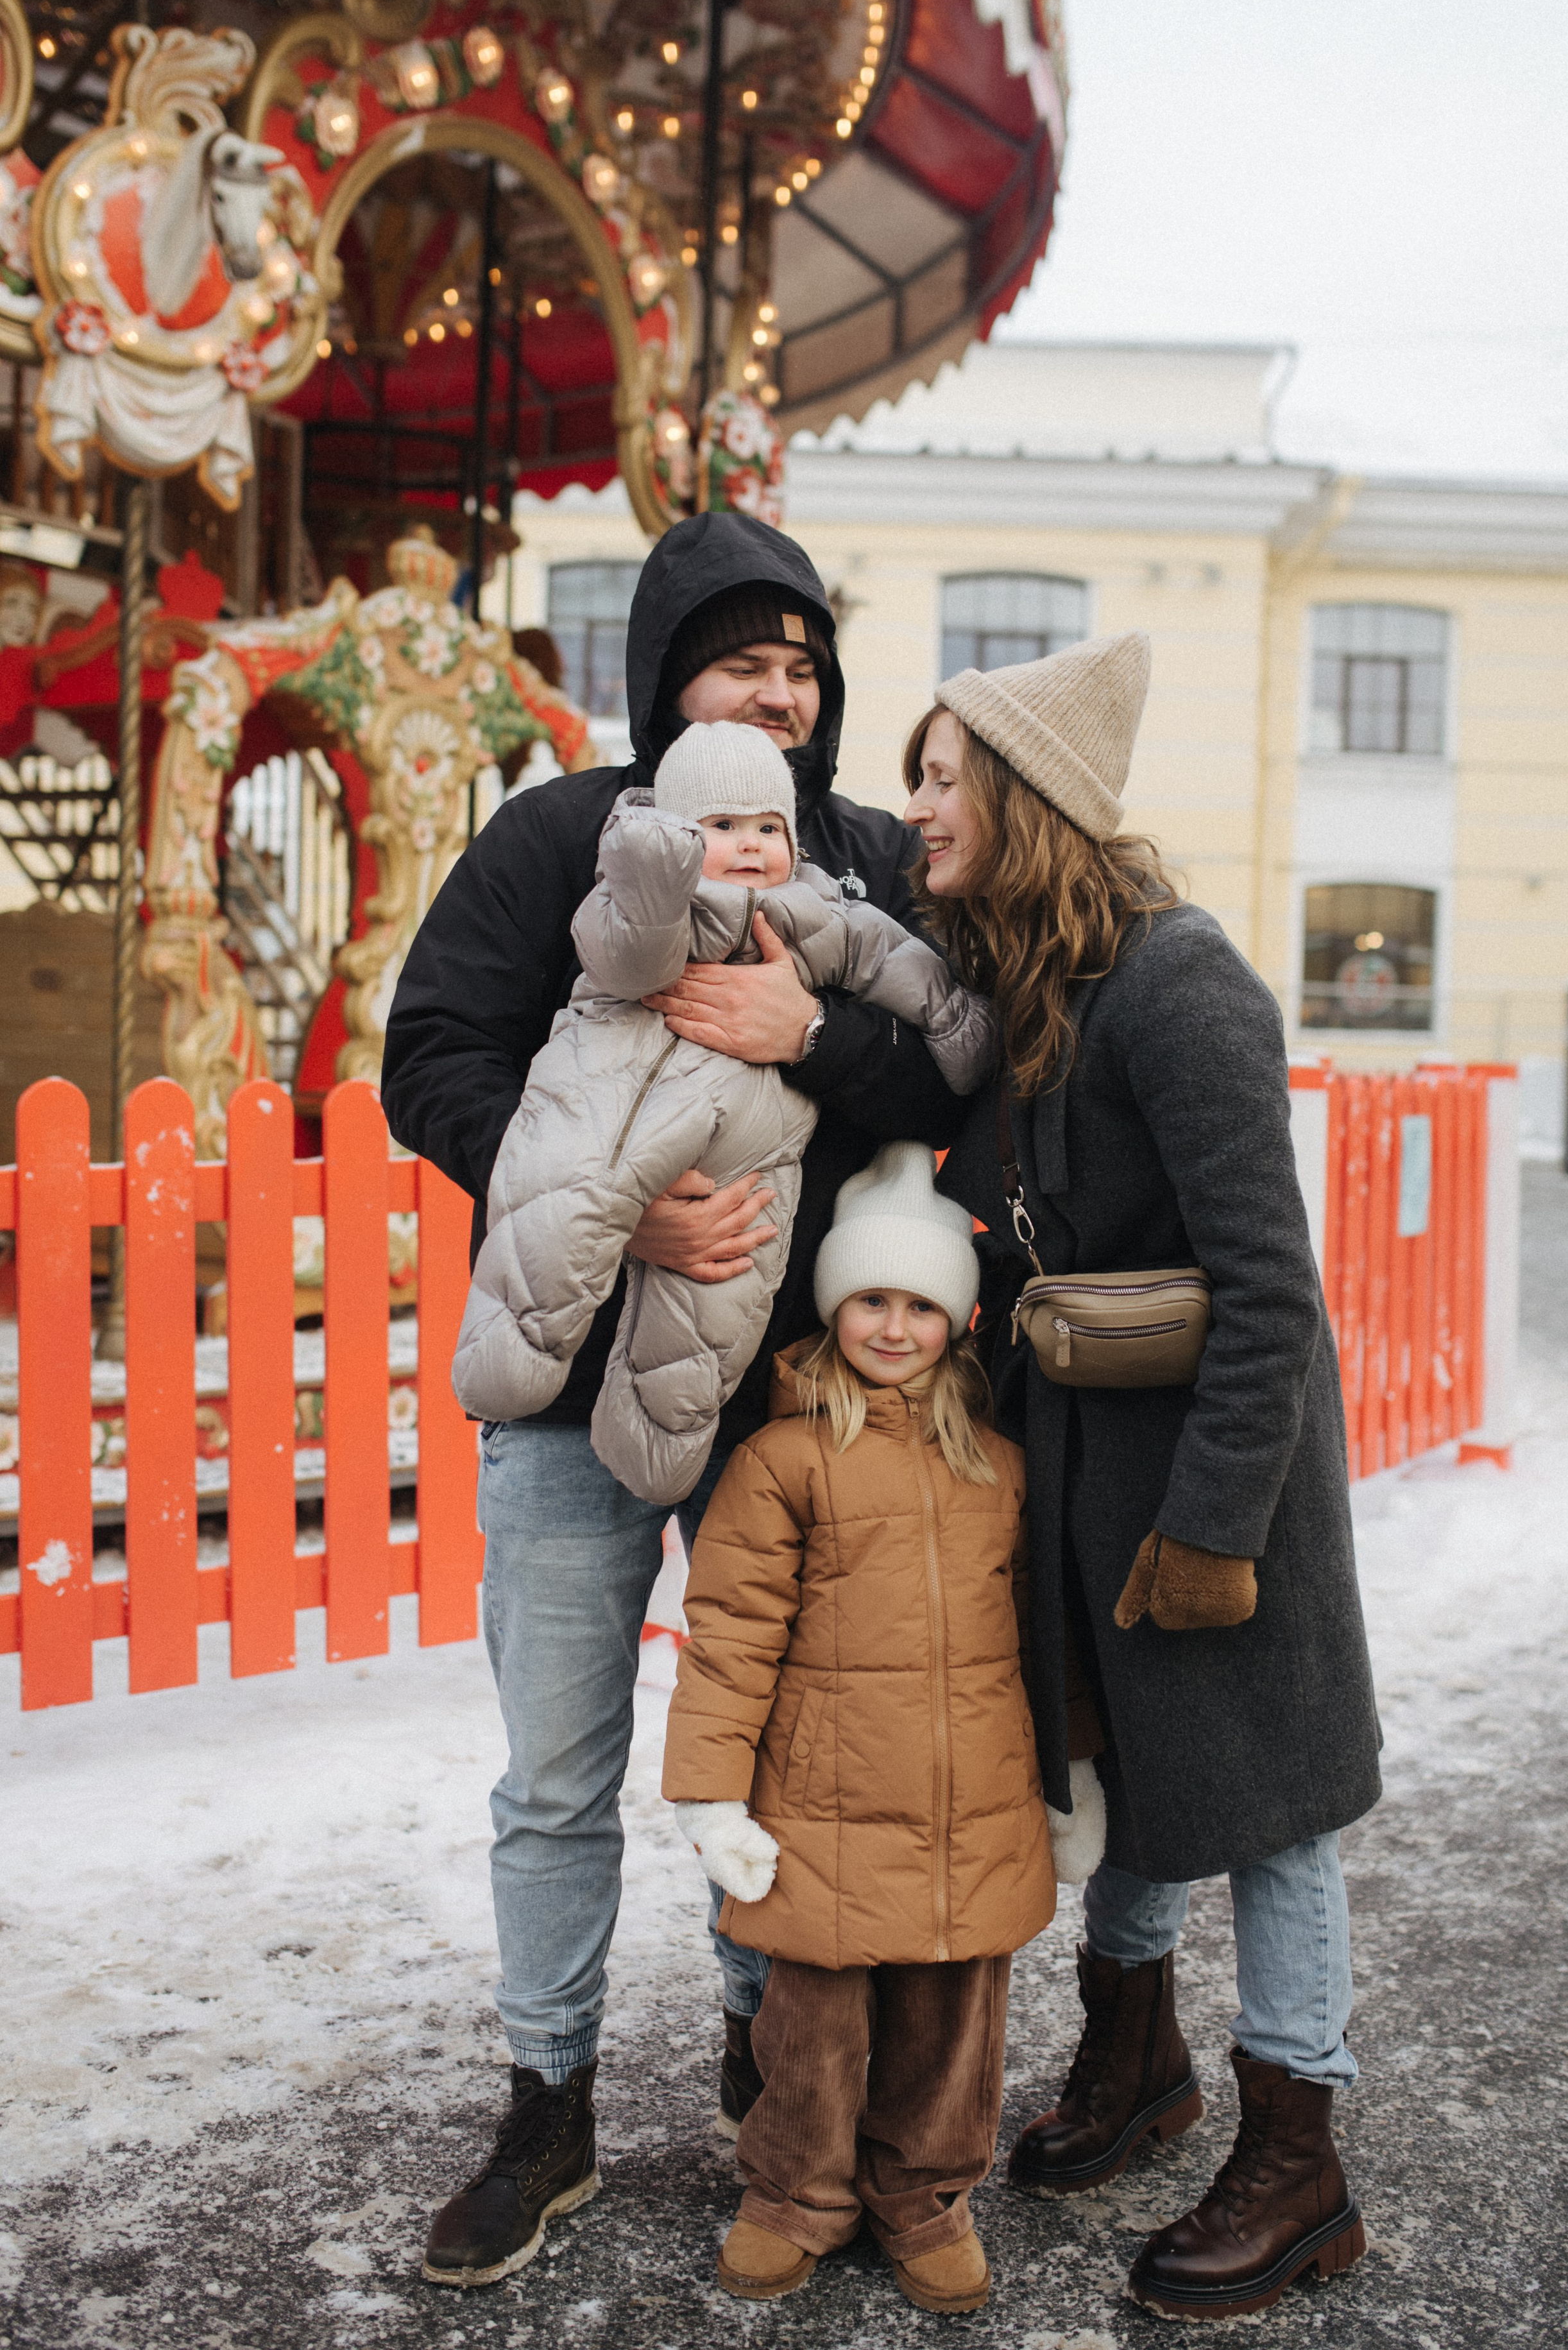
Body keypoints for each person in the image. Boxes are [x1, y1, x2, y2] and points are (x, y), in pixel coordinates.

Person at [380, 512, 967, 2288]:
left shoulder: (855, 856)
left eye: (802, 666)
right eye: (741, 661)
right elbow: (435, 1057)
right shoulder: (561, 836)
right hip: (570, 1396)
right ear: (666, 683)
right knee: (557, 1771)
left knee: (775, 1757)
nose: (778, 689)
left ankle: (770, 2069)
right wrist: (620, 1211)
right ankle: (545, 2098)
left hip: (787, 1396)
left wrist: (818, 1039)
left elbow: (960, 1052)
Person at [905, 634, 1383, 2325]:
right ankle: (1140, 2057)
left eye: (944, 773)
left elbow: (1272, 1291)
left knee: (1269, 1815)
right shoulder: (1041, 988)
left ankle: (1298, 2150)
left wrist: (1211, 1534)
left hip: (1215, 1493)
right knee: (1140, 1784)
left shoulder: (1183, 986)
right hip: (1095, 1480)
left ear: (1027, 796)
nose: (918, 806)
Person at [662, 1144, 1105, 2317]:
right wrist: (713, 1796)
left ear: (960, 1321)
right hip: (825, 1805)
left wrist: (1072, 1777)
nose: (895, 1325)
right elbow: (730, 1635)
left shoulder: (999, 1467)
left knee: (951, 2024)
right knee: (811, 2021)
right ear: (833, 1305)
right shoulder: (780, 1462)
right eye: (872, 1299)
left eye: (921, 1303)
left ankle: (927, 2198)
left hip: (976, 1801)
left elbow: (1043, 1635)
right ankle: (794, 2195)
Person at [451, 720, 995, 1504]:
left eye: (768, 828)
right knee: (557, 1208)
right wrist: (651, 871)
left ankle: (658, 1444)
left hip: (742, 1137)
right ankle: (506, 1363)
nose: (749, 845)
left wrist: (958, 1029)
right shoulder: (639, 899)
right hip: (603, 1100)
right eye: (721, 827)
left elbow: (893, 961)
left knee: (715, 1297)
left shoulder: (814, 909)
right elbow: (627, 953)